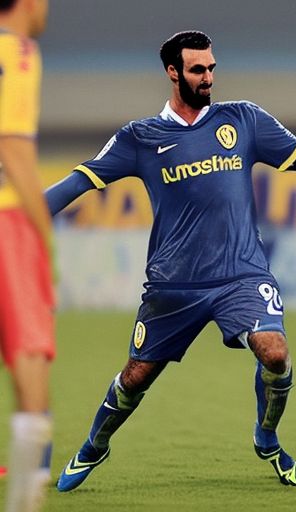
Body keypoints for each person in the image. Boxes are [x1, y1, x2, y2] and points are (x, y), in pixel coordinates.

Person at [47, 30, 296, 492]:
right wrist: (19, 218)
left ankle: (266, 436)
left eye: (212, 67)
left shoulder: (244, 120)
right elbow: (78, 182)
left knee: (274, 351)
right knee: (135, 377)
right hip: (174, 284)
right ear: (173, 72)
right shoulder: (140, 137)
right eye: (197, 69)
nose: (208, 76)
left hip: (241, 275)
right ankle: (95, 445)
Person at [0, 0, 53, 510]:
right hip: (6, 219)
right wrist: (43, 235)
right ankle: (23, 503)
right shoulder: (17, 52)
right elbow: (13, 149)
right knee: (30, 357)